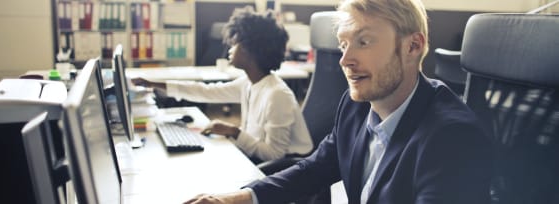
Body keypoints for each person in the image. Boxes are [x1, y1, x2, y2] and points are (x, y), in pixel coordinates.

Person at [183, 0, 493, 203]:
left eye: (364, 41)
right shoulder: (356, 107)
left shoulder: (452, 137)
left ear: (413, 46)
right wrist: (235, 199)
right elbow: (314, 169)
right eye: (343, 44)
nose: (345, 59)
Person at [133, 6, 313, 163]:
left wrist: (234, 131)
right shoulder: (250, 83)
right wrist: (155, 84)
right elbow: (205, 91)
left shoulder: (277, 95)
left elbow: (274, 156)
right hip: (259, 159)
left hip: (286, 169)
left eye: (235, 44)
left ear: (251, 50)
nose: (230, 49)